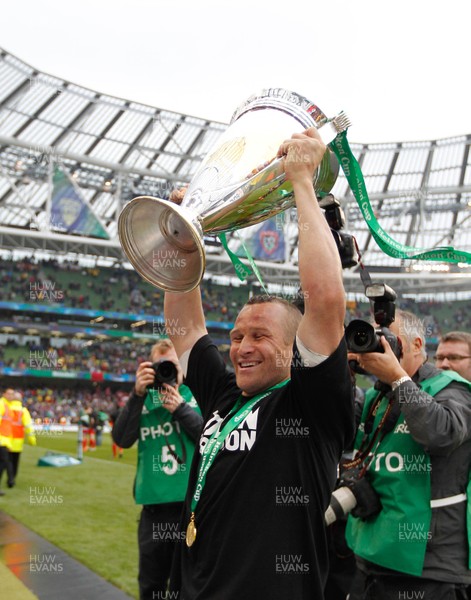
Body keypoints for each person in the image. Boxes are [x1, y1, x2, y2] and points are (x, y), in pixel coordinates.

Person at [165, 127, 354, 599]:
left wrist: (303, 183)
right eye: (237, 336)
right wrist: (182, 238)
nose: (242, 346)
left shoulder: (312, 404)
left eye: (260, 336)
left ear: (295, 349)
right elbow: (185, 330)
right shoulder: (225, 394)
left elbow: (326, 299)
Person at [346, 309, 471, 600]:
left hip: (426, 567)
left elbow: (440, 433)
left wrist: (399, 378)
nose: (382, 347)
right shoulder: (379, 394)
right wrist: (342, 373)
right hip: (371, 554)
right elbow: (334, 428)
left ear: (416, 345)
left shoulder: (455, 391)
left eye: (390, 340)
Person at [112, 339, 203, 600]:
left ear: (183, 368)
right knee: (151, 586)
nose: (166, 372)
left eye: (172, 365)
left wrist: (180, 409)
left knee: (188, 586)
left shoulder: (195, 397)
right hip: (153, 512)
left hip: (190, 511)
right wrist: (136, 394)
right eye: (160, 366)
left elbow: (210, 439)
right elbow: (122, 439)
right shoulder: (142, 401)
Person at [6, 390, 36, 487]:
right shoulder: (23, 411)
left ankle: (9, 478)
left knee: (6, 461)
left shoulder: (7, 409)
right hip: (18, 441)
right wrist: (32, 440)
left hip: (6, 440)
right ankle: (12, 478)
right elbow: (28, 427)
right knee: (15, 462)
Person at [0, 388, 14, 494]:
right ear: (4, 394)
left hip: (5, 441)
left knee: (2, 464)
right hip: (1, 440)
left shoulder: (8, 406)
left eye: (12, 394)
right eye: (9, 394)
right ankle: (11, 480)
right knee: (6, 462)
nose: (11, 396)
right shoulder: (2, 404)